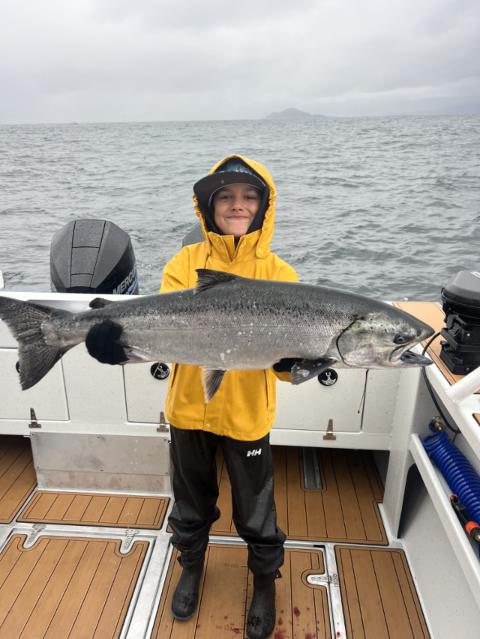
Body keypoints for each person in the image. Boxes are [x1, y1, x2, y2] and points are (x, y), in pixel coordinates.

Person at [160, 155, 298, 639]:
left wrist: (297, 364)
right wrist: (120, 343)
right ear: (207, 205)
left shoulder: (280, 274)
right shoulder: (183, 264)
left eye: (249, 196)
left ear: (264, 206)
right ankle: (191, 567)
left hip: (246, 415)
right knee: (190, 502)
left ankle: (264, 582)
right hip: (188, 411)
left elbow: (285, 367)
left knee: (256, 511)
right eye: (226, 196)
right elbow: (166, 335)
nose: (237, 205)